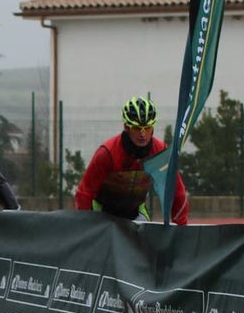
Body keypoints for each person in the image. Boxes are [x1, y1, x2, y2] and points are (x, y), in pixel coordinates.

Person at [74, 95, 190, 225]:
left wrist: (181, 227)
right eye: (136, 128)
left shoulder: (161, 153)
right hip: (102, 210)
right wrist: (85, 227)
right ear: (126, 127)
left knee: (143, 244)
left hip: (135, 211)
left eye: (147, 128)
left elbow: (177, 192)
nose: (142, 134)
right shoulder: (107, 153)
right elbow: (84, 193)